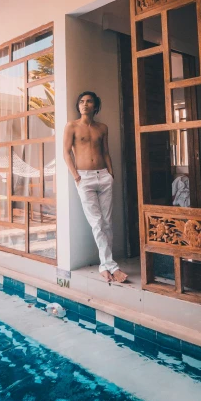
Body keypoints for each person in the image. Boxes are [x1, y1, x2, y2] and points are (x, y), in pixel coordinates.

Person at [63, 91, 128, 283]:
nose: (84, 104)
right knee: (97, 223)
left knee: (107, 223)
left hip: (104, 176)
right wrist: (76, 176)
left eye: (89, 101)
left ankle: (104, 266)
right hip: (85, 178)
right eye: (81, 101)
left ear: (95, 105)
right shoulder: (71, 126)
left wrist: (111, 173)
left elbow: (106, 152)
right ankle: (112, 266)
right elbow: (66, 153)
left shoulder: (102, 128)